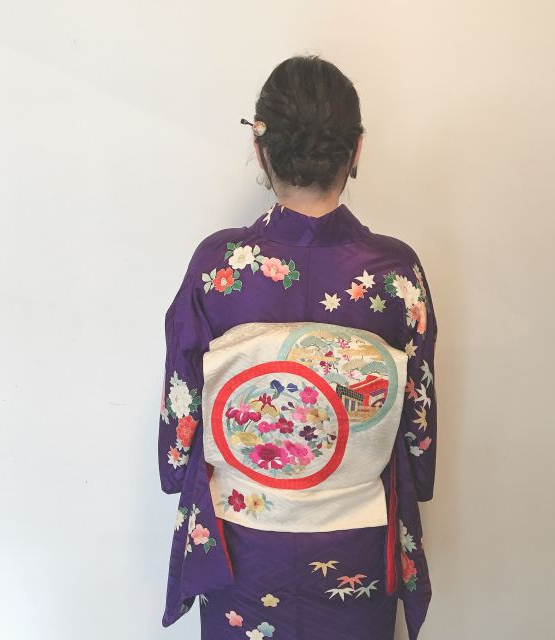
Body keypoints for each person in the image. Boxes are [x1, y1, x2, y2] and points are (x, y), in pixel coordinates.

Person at [157, 54, 438, 640]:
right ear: (356, 149)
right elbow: (416, 419)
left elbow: (184, 408)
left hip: (244, 538)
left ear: (261, 148)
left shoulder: (219, 266)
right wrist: (417, 471)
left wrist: (176, 463)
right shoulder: (395, 274)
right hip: (355, 539)